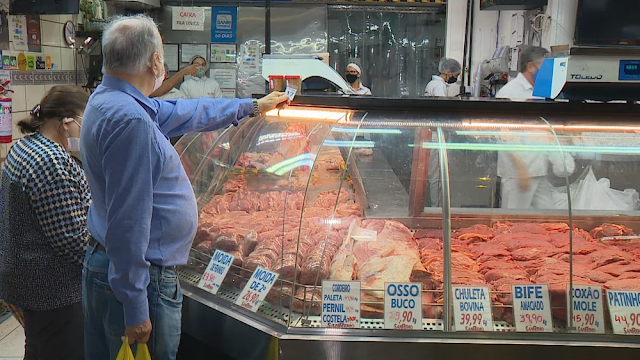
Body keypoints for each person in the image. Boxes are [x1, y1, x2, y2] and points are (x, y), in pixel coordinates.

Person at [80, 15, 289, 360]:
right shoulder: (130, 119)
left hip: (112, 267)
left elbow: (185, 111)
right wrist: (135, 306)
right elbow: (128, 220)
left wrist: (251, 106)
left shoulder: (111, 101)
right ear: (155, 61)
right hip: (140, 281)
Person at [0, 85, 90, 360]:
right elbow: (73, 241)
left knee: (39, 349)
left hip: (26, 280)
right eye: (86, 123)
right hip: (53, 290)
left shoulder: (26, 145)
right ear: (66, 123)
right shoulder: (51, 162)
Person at [494, 46, 575, 209]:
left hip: (538, 170)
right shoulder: (510, 93)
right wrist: (520, 169)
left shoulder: (540, 91)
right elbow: (503, 136)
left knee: (548, 218)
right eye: (544, 67)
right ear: (531, 67)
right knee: (513, 222)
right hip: (519, 174)